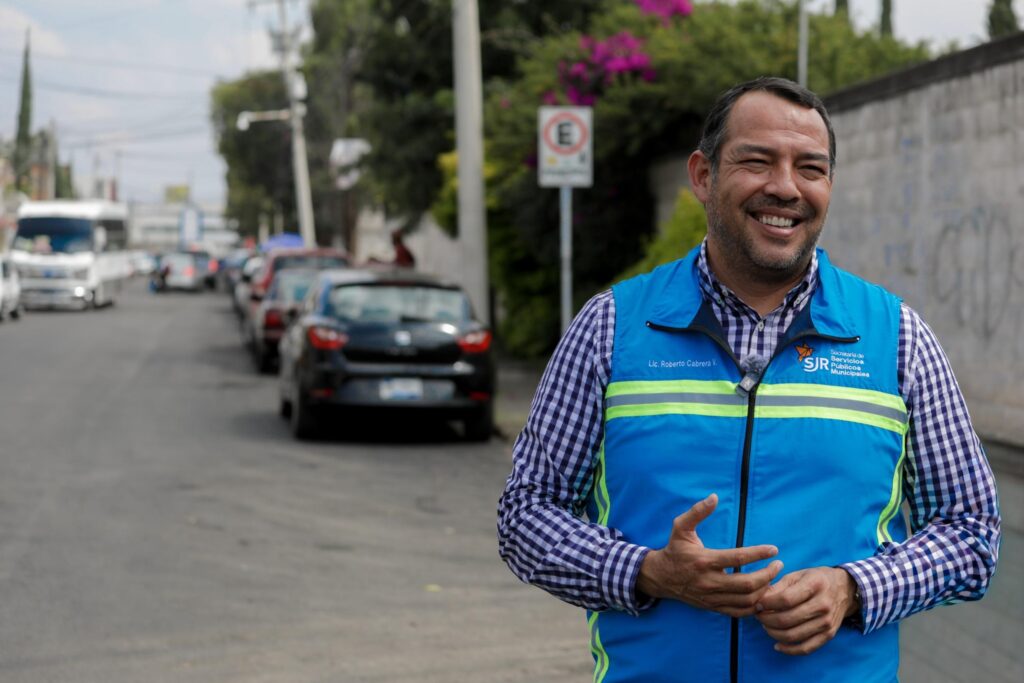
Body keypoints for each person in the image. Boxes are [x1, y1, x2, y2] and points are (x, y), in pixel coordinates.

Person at [496, 77, 1001, 683]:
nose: (785, 187)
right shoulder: (611, 327)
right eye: (757, 161)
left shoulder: (897, 338)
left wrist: (856, 588)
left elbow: (972, 532)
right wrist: (647, 572)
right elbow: (526, 514)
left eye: (810, 168)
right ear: (703, 176)